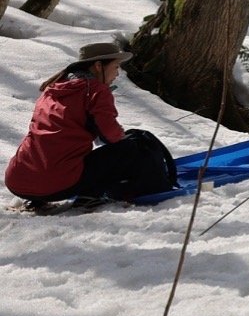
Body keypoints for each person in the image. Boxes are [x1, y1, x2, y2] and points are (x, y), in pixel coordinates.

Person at [6, 43, 175, 205]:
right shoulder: (95, 91)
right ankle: (91, 195)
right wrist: (127, 137)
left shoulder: (53, 90)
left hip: (18, 181)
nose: (117, 74)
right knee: (134, 147)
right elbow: (111, 136)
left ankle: (38, 197)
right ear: (98, 66)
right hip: (57, 184)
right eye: (116, 67)